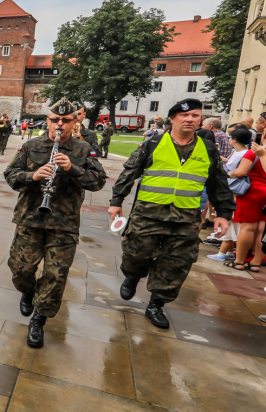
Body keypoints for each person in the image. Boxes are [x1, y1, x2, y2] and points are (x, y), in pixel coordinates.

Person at [110, 98, 235, 329]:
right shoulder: (153, 143)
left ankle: (156, 304)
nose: (190, 119)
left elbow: (218, 182)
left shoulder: (207, 148)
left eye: (195, 116)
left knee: (177, 262)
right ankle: (132, 275)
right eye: (184, 115)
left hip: (185, 218)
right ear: (173, 118)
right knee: (136, 254)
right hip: (148, 213)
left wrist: (223, 213)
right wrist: (116, 201)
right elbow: (129, 172)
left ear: (200, 120)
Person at [4, 99, 107, 348]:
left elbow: (99, 181)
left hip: (64, 223)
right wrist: (33, 175)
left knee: (56, 275)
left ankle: (39, 319)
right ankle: (29, 291)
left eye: (66, 120)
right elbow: (10, 175)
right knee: (21, 270)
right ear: (48, 121)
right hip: (30, 219)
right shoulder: (31, 145)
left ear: (75, 121)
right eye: (54, 120)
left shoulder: (84, 149)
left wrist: (73, 169)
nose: (59, 124)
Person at [219, 127, 266, 271]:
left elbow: (241, 172)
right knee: (262, 230)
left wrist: (227, 175)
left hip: (251, 192)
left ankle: (239, 261)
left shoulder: (254, 153)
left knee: (247, 228)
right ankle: (256, 263)